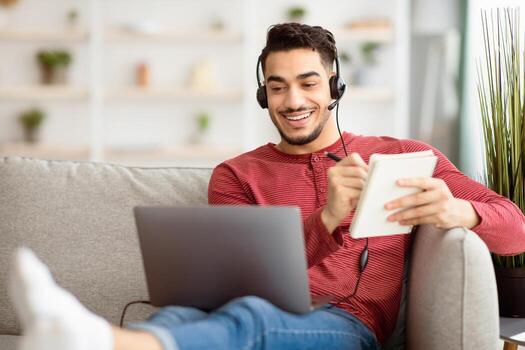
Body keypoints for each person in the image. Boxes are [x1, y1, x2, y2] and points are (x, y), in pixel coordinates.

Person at [9, 23, 525, 350]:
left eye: (307, 83)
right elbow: (234, 278)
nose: (292, 99)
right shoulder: (236, 176)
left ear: (334, 88)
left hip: (347, 324)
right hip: (242, 307)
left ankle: (94, 342)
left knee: (251, 318)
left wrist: (462, 213)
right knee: (189, 314)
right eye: (277, 87)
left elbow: (518, 230)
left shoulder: (397, 156)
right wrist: (324, 218)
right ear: (264, 95)